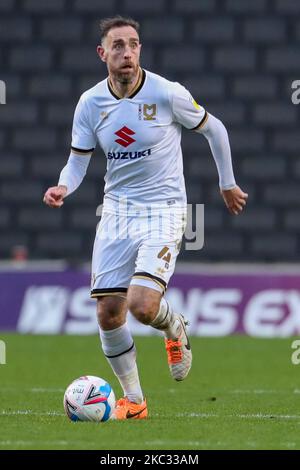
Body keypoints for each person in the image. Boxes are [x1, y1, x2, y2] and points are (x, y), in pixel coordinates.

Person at [43, 16, 248, 420]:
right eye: (117, 45)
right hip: (117, 213)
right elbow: (77, 162)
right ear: (103, 54)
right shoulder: (90, 103)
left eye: (133, 44)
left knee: (140, 304)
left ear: (140, 50)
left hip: (164, 210)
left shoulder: (166, 93)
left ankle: (174, 327)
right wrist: (63, 186)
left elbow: (215, 129)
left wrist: (228, 183)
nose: (127, 52)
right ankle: (135, 401)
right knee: (108, 312)